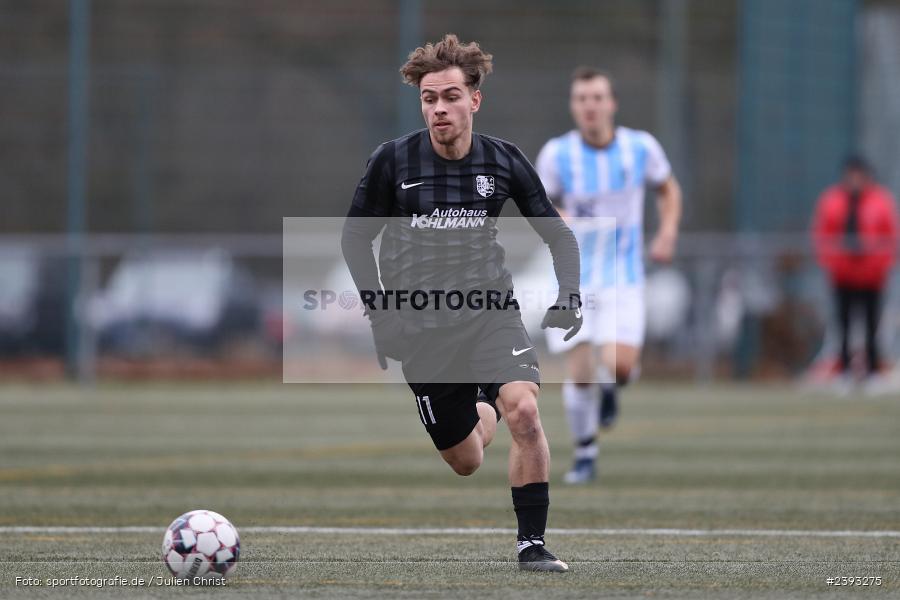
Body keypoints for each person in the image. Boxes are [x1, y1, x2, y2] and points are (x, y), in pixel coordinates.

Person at [341, 34, 582, 572]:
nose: (439, 108)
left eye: (450, 96)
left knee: (524, 407)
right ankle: (482, 403)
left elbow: (559, 236)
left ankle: (532, 546)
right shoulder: (392, 161)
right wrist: (381, 317)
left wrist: (569, 294)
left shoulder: (503, 161)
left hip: (490, 313)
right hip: (421, 328)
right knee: (467, 459)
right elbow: (355, 240)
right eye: (429, 98)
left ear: (475, 99)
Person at [535, 67, 682, 484]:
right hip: (572, 281)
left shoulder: (640, 149)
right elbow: (539, 203)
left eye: (597, 98)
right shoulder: (557, 154)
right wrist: (558, 218)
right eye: (582, 99)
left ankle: (614, 384)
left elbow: (668, 188)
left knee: (618, 366)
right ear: (573, 105)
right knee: (579, 370)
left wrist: (668, 231)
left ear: (612, 103)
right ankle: (585, 453)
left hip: (624, 276)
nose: (590, 106)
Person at [812, 156, 897, 389]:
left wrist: (881, 264)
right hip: (843, 275)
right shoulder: (832, 200)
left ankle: (872, 372)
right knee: (843, 325)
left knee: (872, 325)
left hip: (872, 276)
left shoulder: (880, 201)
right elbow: (823, 234)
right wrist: (832, 262)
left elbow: (890, 235)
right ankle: (845, 372)